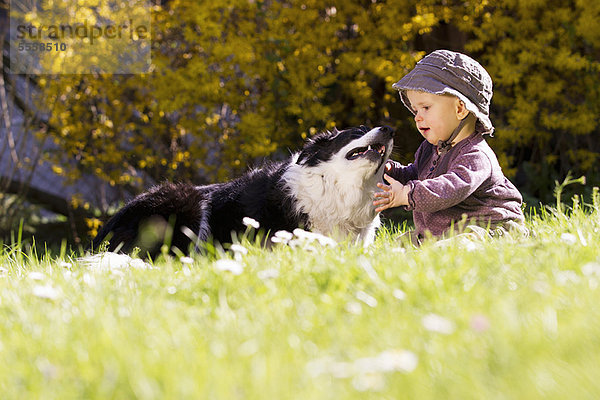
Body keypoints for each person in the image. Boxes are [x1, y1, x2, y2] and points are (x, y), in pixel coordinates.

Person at [373, 49, 526, 243]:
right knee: (397, 246)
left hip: (489, 227)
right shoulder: (429, 149)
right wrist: (392, 171)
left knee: (461, 244)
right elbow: (417, 174)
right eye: (415, 110)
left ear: (460, 109)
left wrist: (407, 194)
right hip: (443, 232)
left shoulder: (476, 155)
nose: (418, 117)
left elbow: (448, 189)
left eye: (426, 108)